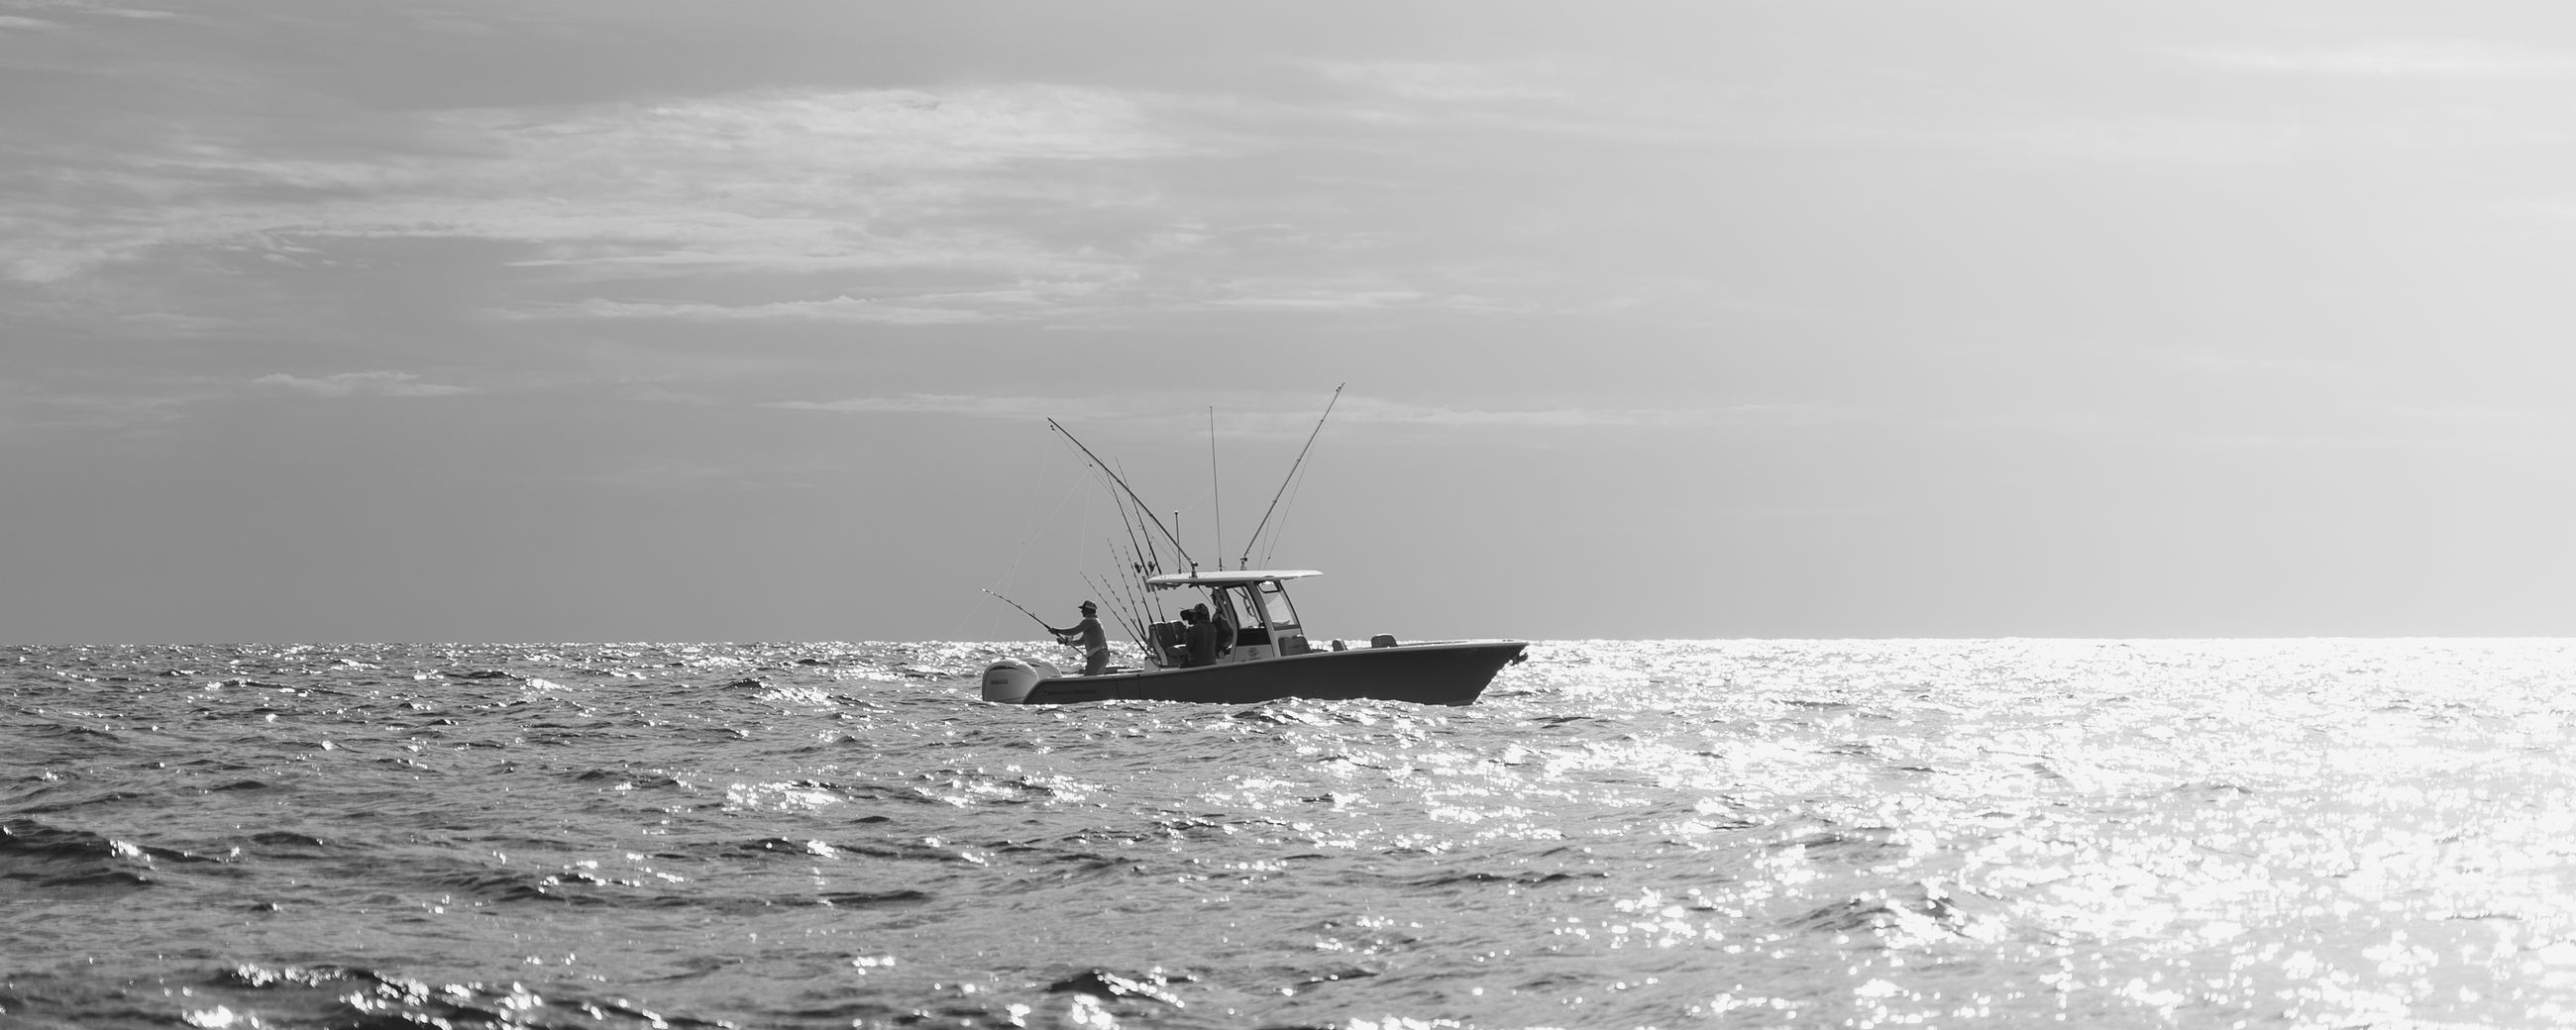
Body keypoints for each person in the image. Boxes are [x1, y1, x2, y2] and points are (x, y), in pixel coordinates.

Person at [1042, 601, 1110, 675]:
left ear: (1088, 610)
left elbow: (1074, 631)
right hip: (1102, 656)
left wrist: (1057, 630)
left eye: (1083, 609)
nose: (1081, 611)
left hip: (1096, 657)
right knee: (1096, 680)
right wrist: (1068, 642)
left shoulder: (1089, 621)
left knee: (1089, 680)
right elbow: (1081, 641)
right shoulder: (1095, 621)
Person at [1183, 604, 1223, 668]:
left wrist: (1186, 635)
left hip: (1195, 664)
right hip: (1212, 663)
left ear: (1197, 616)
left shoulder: (1193, 630)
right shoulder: (1213, 628)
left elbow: (1188, 648)